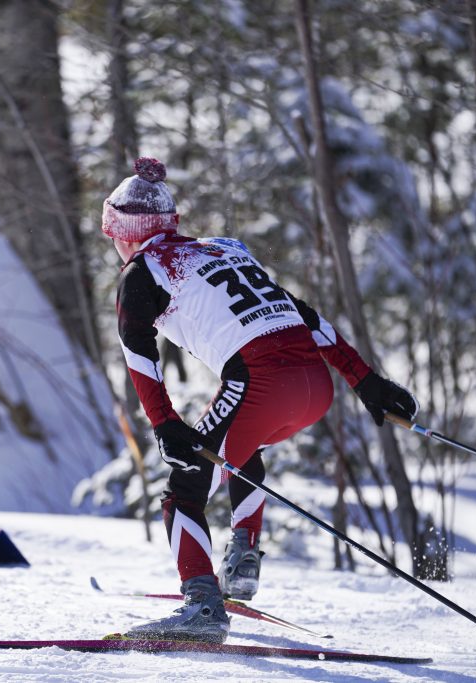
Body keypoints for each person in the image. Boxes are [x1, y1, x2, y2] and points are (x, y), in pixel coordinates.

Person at [104, 157, 418, 644]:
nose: (115, 247)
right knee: (240, 448)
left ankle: (203, 607)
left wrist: (165, 425)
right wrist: (366, 383)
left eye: (113, 236)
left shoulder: (141, 272)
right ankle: (243, 559)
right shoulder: (225, 249)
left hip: (259, 381)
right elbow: (305, 316)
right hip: (316, 387)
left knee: (184, 489)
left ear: (124, 233)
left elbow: (141, 358)